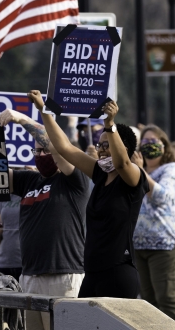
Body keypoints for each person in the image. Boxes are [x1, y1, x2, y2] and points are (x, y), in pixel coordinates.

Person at [0, 109, 89, 330]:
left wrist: (22, 119)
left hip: (63, 276)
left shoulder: (74, 181)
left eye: (45, 150)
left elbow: (57, 145)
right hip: (31, 276)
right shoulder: (30, 181)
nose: (41, 154)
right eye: (37, 151)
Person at [26, 91, 150, 298]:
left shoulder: (133, 177)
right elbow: (64, 148)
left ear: (123, 147)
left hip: (118, 272)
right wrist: (43, 110)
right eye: (100, 145)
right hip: (92, 272)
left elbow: (122, 163)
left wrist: (110, 124)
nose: (101, 150)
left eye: (106, 145)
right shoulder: (100, 174)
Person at [133, 126, 175, 326]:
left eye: (154, 141)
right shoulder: (136, 170)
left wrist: (139, 171)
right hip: (139, 246)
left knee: (168, 301)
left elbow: (161, 197)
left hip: (165, 245)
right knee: (149, 306)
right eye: (145, 142)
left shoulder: (172, 169)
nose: (149, 146)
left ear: (164, 146)